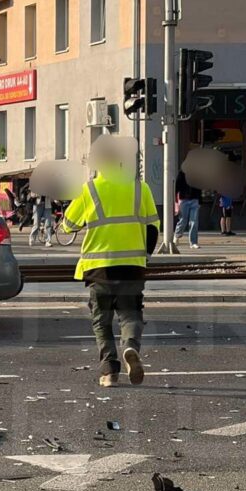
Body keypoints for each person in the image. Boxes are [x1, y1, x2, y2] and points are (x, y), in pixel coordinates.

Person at [61, 137, 160, 389]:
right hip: (133, 266)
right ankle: (130, 347)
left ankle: (108, 372)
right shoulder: (141, 188)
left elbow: (68, 225)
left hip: (99, 268)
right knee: (131, 314)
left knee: (101, 320)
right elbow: (152, 227)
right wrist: (144, 256)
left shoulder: (90, 189)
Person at [174, 170, 201, 249]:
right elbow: (177, 186)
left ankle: (193, 242)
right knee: (183, 220)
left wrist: (200, 201)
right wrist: (176, 201)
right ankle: (177, 235)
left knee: (194, 221)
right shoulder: (182, 172)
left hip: (195, 199)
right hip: (184, 199)